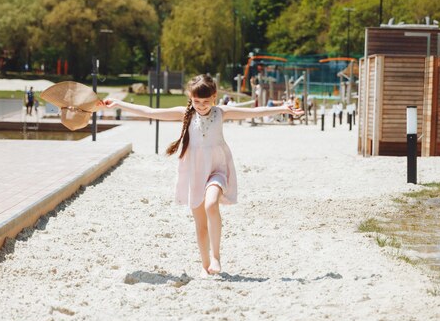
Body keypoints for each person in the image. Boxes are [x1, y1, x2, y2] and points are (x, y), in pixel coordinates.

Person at [99, 74, 303, 276]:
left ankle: (216, 257)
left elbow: (253, 111)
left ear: (214, 97)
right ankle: (206, 265)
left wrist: (283, 108)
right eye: (197, 101)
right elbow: (150, 111)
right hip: (195, 173)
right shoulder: (185, 114)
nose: (201, 105)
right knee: (200, 224)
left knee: (211, 204)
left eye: (206, 101)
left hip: (218, 169)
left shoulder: (221, 112)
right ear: (190, 97)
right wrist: (119, 104)